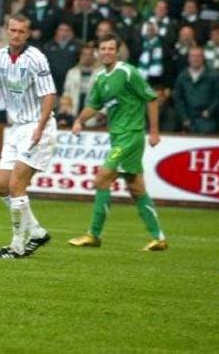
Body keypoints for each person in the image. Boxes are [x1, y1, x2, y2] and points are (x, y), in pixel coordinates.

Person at [68, 33, 167, 251]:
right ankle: (158, 238)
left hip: (131, 135)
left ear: (118, 51)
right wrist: (79, 121)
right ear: (98, 51)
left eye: (111, 49)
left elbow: (151, 99)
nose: (106, 52)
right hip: (117, 137)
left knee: (102, 178)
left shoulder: (128, 72)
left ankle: (93, 235)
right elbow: (93, 105)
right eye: (103, 49)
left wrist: (154, 132)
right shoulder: (101, 78)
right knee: (136, 188)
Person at [0, 14, 56, 259]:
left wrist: (40, 126)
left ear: (28, 34)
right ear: (6, 31)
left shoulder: (36, 58)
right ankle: (36, 231)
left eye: (21, 31)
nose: (16, 35)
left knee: (16, 185)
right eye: (12, 30)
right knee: (1, 186)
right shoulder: (0, 57)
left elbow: (49, 95)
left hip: (37, 126)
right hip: (15, 127)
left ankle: (17, 245)